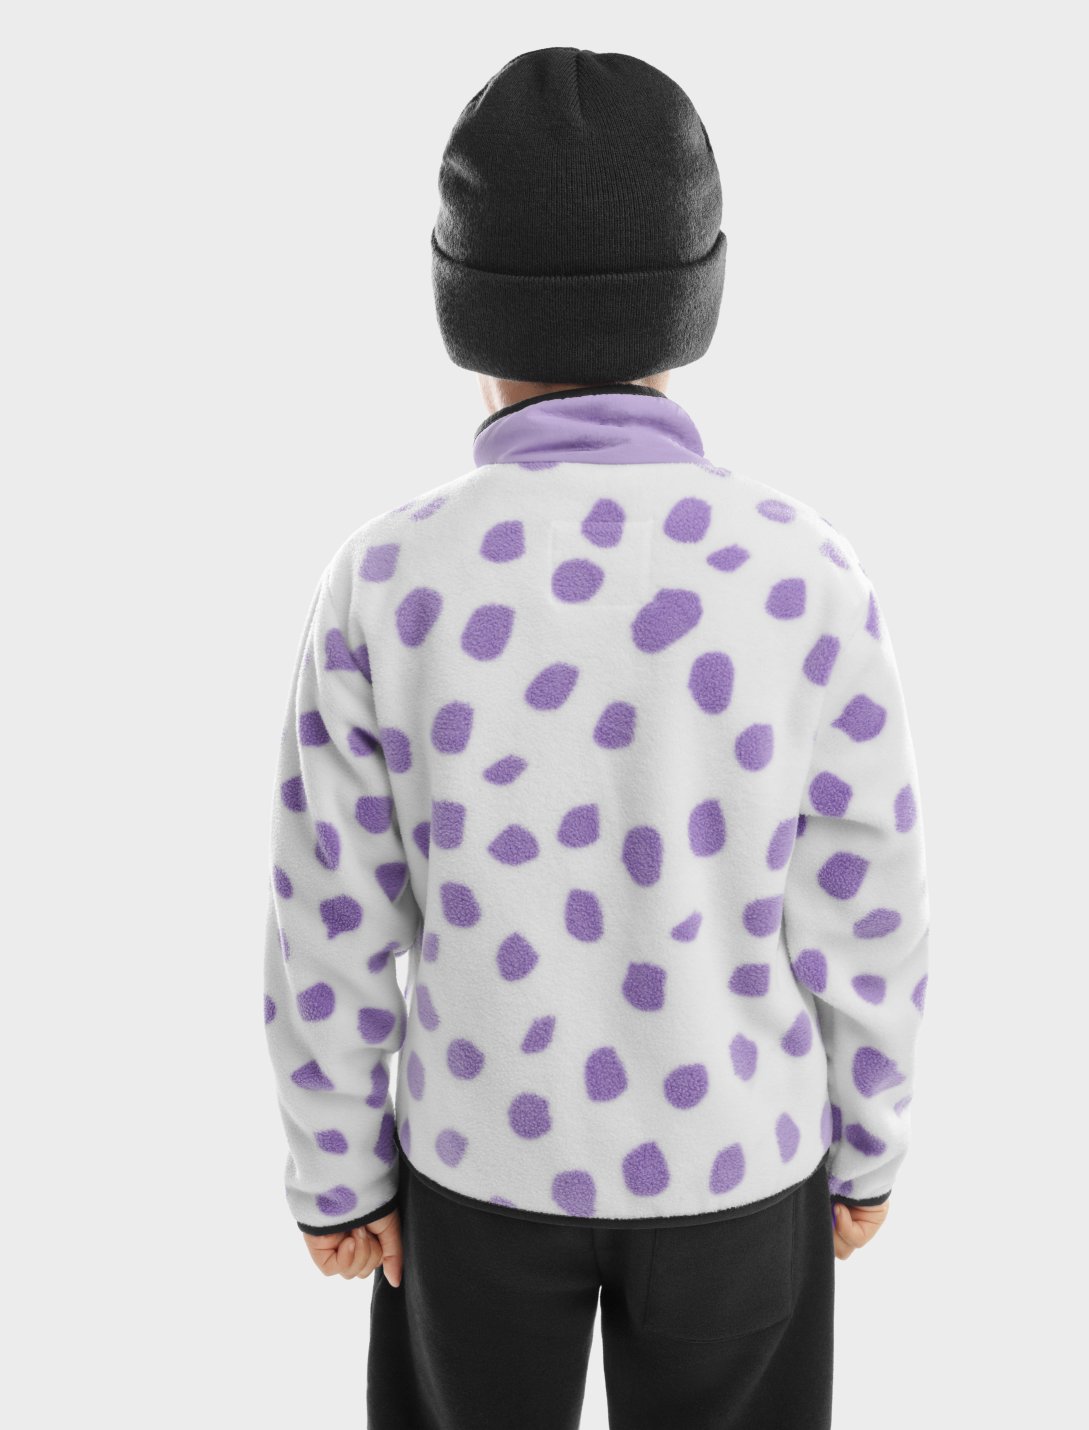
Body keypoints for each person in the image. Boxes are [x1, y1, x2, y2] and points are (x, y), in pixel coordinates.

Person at [261, 46, 931, 1430]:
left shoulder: (388, 578)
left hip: (476, 1168)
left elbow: (329, 910)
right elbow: (869, 898)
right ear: (696, 298)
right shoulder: (803, 571)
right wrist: (866, 1140)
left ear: (461, 306)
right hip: (739, 1161)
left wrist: (337, 1171)